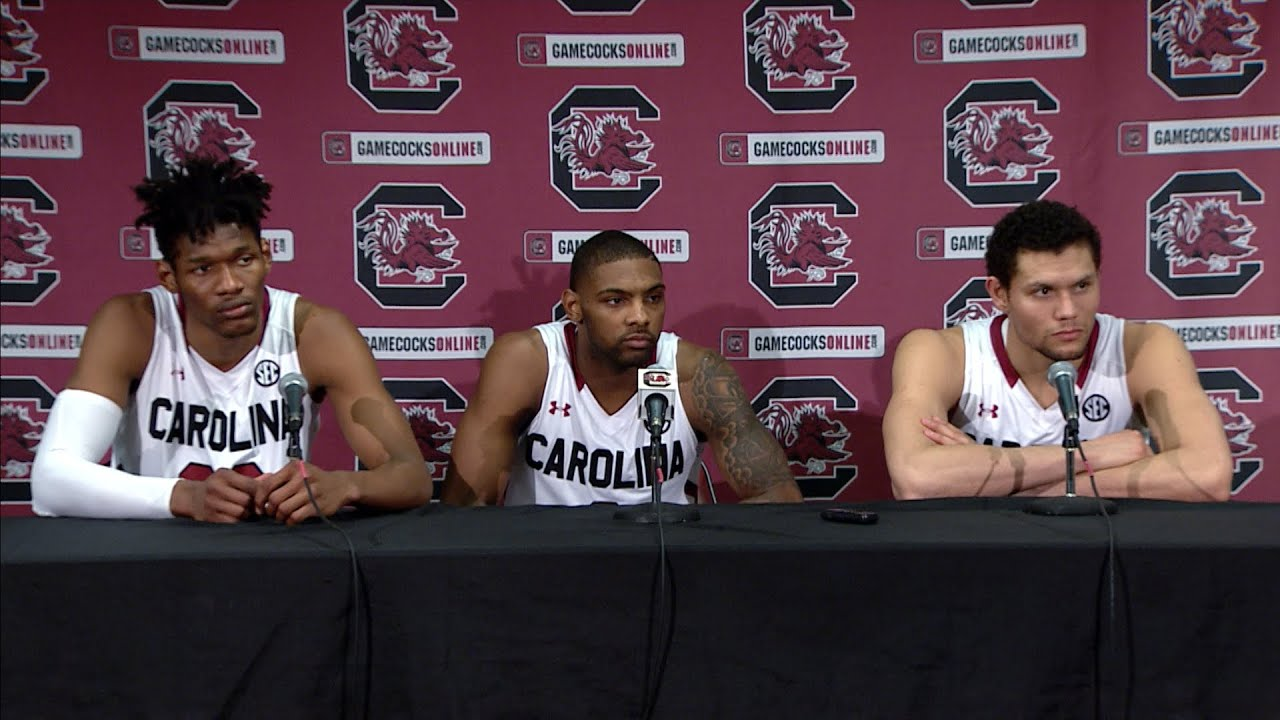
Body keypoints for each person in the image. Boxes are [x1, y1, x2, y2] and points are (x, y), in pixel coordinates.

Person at [31, 158, 431, 523]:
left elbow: (411, 476)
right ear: (169, 276)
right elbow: (51, 482)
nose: (231, 285)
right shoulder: (133, 326)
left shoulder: (316, 332)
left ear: (266, 256)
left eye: (244, 261)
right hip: (152, 560)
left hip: (277, 556)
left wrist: (347, 485)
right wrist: (184, 497)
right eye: (203, 269)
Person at [882, 200, 1231, 501]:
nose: (1068, 310)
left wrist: (997, 482)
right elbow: (915, 479)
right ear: (1000, 294)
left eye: (1082, 285)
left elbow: (1209, 475)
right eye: (1043, 291)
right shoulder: (941, 352)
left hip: (1103, 560)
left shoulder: (1143, 346)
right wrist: (1092, 455)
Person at [442, 230, 802, 506]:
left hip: (662, 574)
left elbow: (778, 497)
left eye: (653, 298)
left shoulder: (699, 374)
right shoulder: (527, 362)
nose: (640, 316)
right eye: (616, 301)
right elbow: (467, 507)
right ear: (574, 307)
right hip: (546, 571)